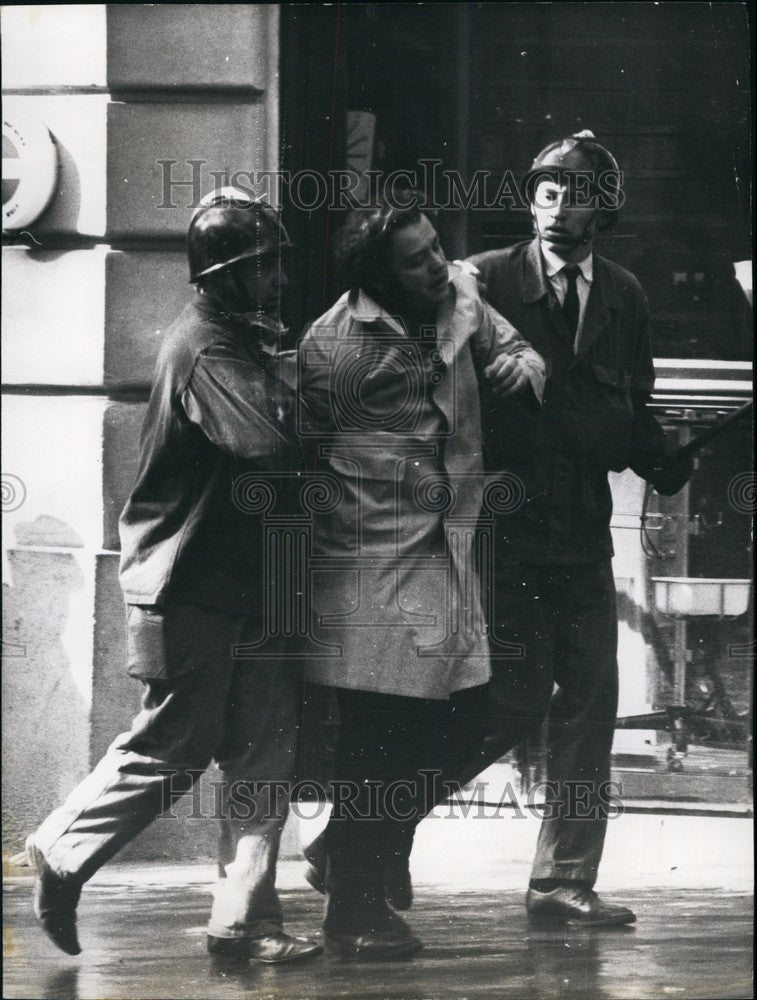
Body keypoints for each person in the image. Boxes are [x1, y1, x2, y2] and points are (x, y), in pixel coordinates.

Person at [24, 189, 322, 964]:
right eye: (263, 267)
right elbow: (267, 446)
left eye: (277, 264)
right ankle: (61, 847)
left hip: (254, 581)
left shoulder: (245, 341)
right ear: (222, 277)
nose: (279, 280)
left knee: (265, 753)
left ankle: (244, 922)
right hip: (190, 582)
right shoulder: (207, 348)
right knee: (172, 746)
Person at [298, 194, 546, 958]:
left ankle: (346, 848)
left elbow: (529, 356)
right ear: (378, 276)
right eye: (417, 258)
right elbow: (327, 440)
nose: (438, 265)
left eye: (437, 247)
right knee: (383, 738)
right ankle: (355, 908)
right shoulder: (335, 343)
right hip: (371, 562)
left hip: (449, 553)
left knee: (500, 705)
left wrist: (513, 364)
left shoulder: (459, 296)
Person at [464, 131, 693, 926]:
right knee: (505, 698)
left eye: (576, 195)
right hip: (503, 531)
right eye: (546, 193)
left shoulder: (623, 296)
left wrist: (662, 453)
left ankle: (562, 880)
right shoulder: (482, 282)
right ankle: (368, 832)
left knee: (591, 697)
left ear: (605, 209)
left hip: (580, 534)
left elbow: (630, 410)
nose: (558, 209)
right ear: (530, 201)